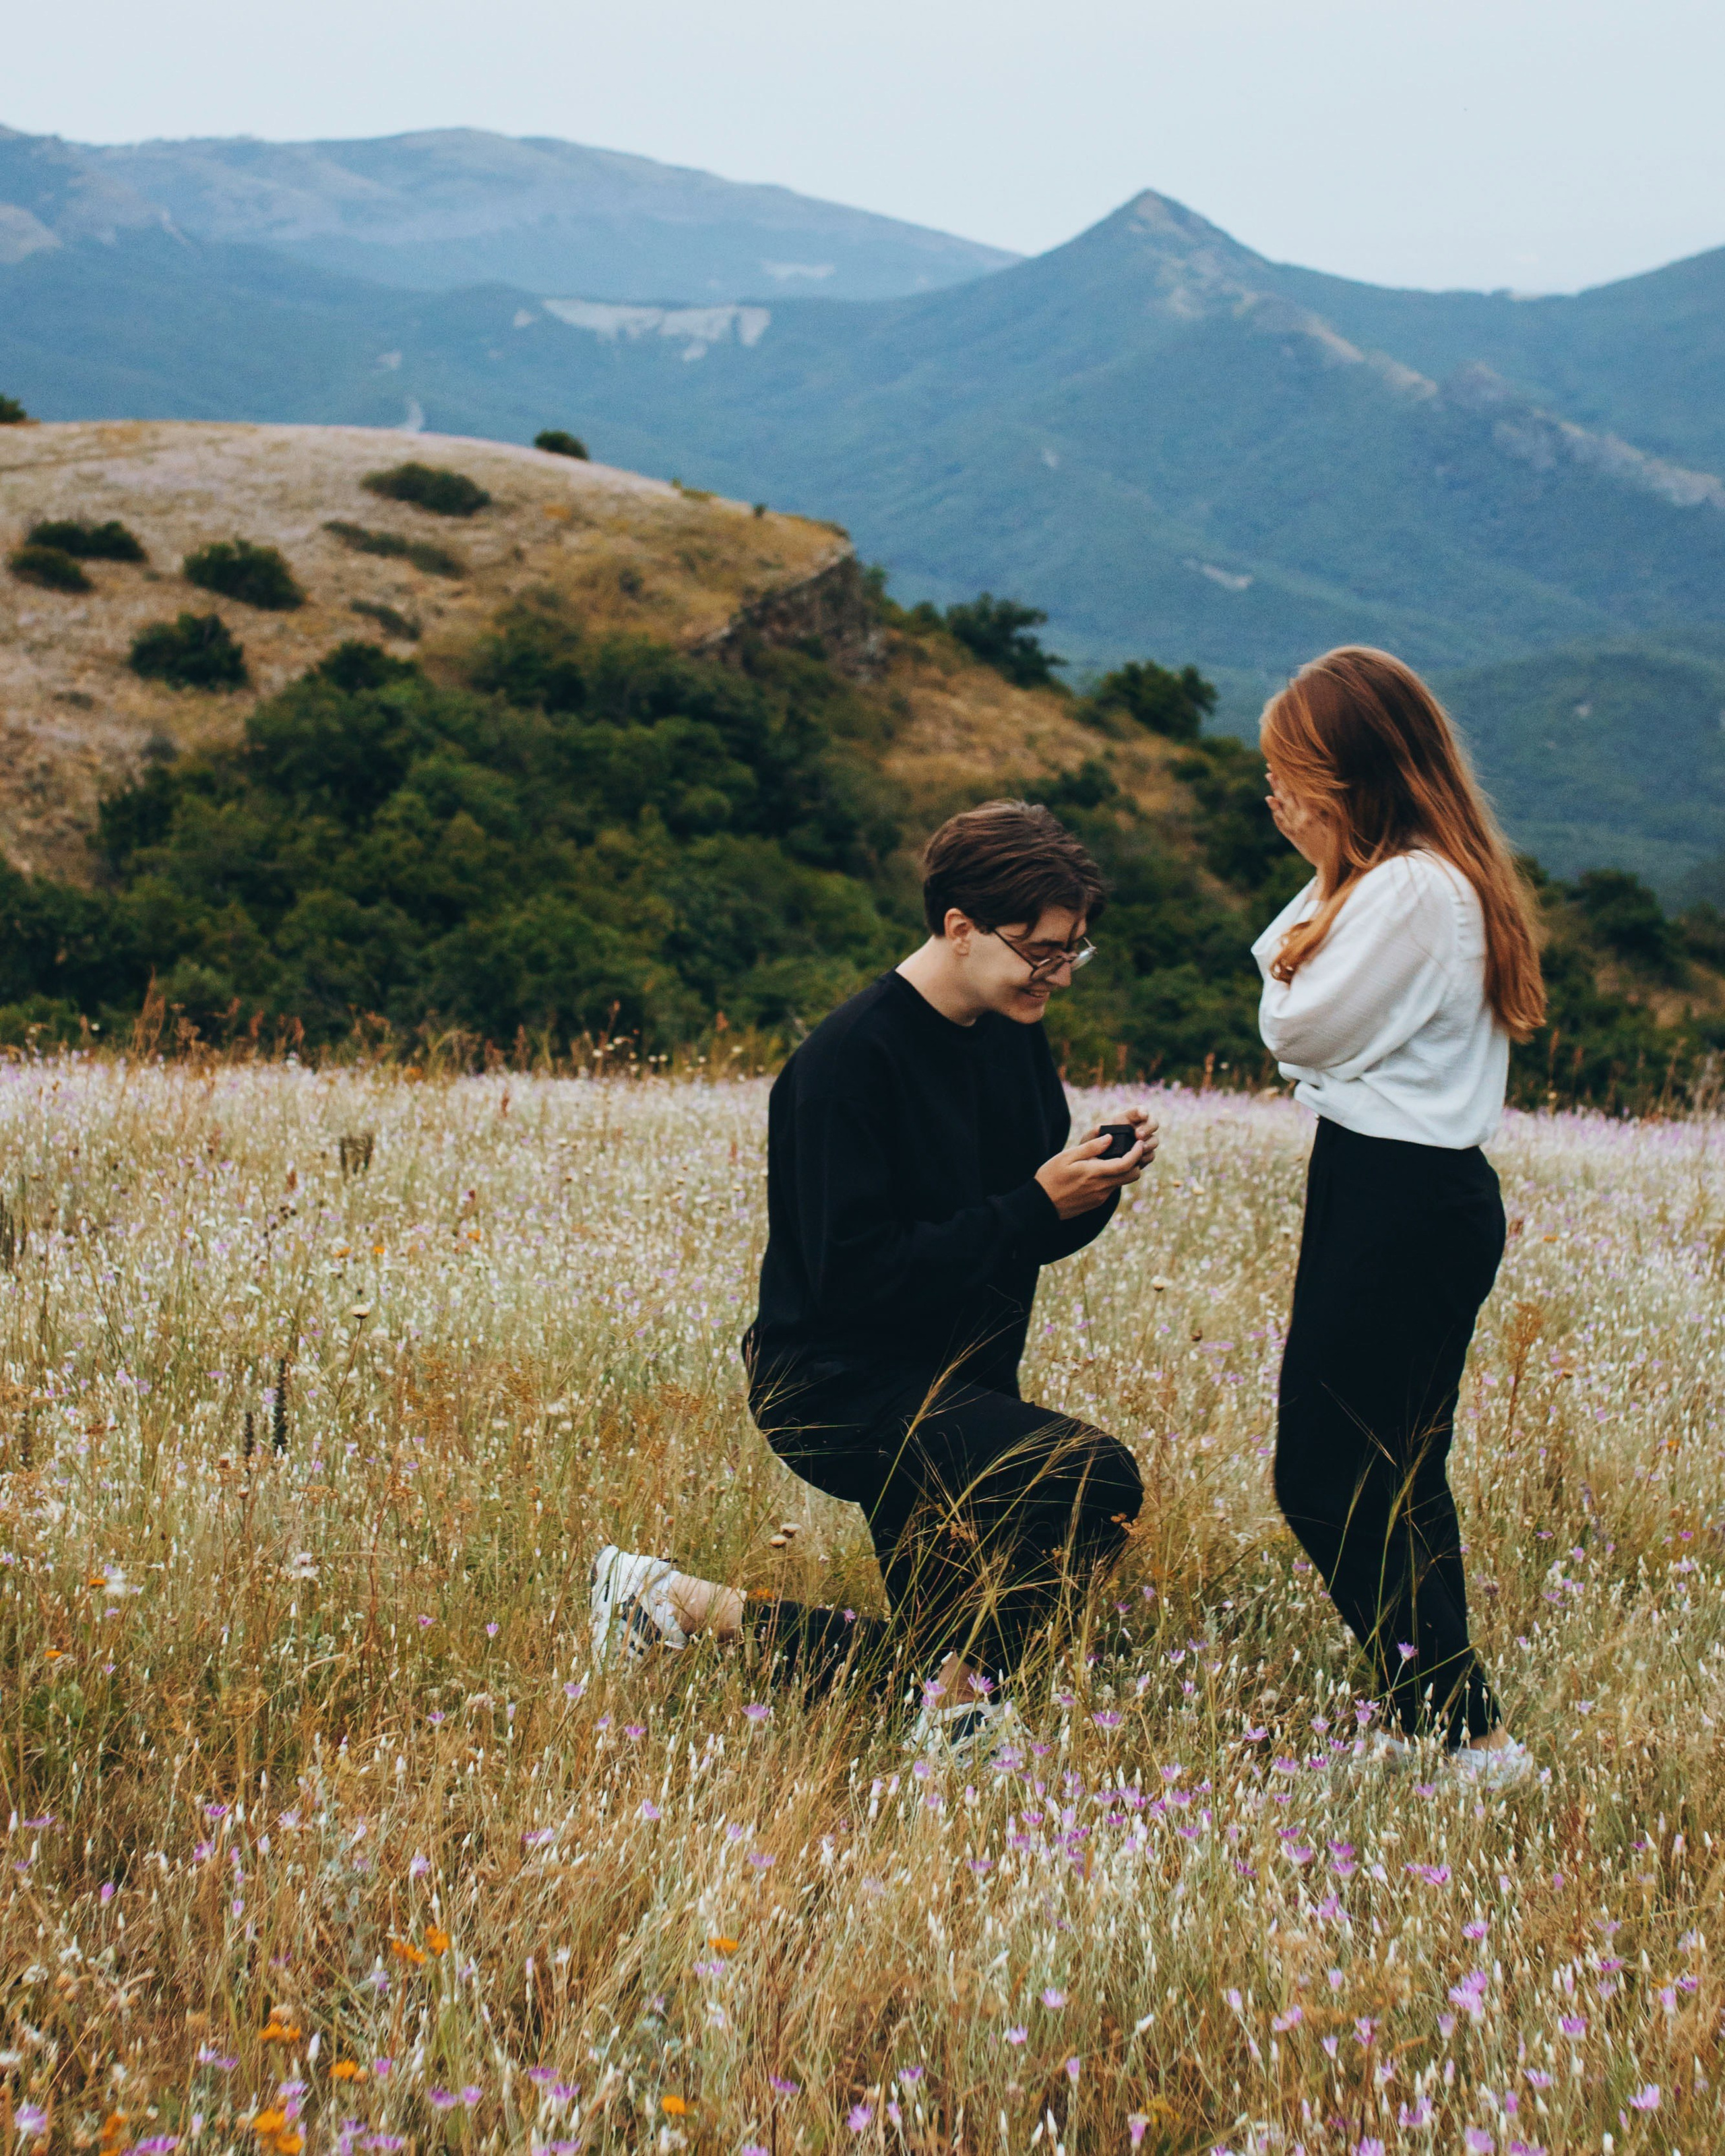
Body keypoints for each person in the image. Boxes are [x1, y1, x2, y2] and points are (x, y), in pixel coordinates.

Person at [592, 800, 1154, 1755]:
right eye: (1042, 950)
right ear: (960, 927)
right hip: (838, 1385)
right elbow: (852, 1279)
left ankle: (675, 1605)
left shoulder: (1013, 1029)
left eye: (1074, 951)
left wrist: (1090, 1188)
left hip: (956, 1380)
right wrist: (1032, 1206)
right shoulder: (846, 1064)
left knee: (967, 1640)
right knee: (1091, 1476)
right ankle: (952, 1705)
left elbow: (1010, 1232)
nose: (1059, 975)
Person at [1253, 645, 1544, 1789]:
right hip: (1398, 1189)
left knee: (1324, 1476)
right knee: (1397, 1472)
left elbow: (1295, 1024)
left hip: (1400, 1195)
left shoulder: (1411, 888)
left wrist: (1324, 874)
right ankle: (1447, 1729)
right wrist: (1332, 873)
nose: (1277, 797)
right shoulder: (1416, 879)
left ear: (1349, 779)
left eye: (1293, 775)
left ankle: (1467, 1734)